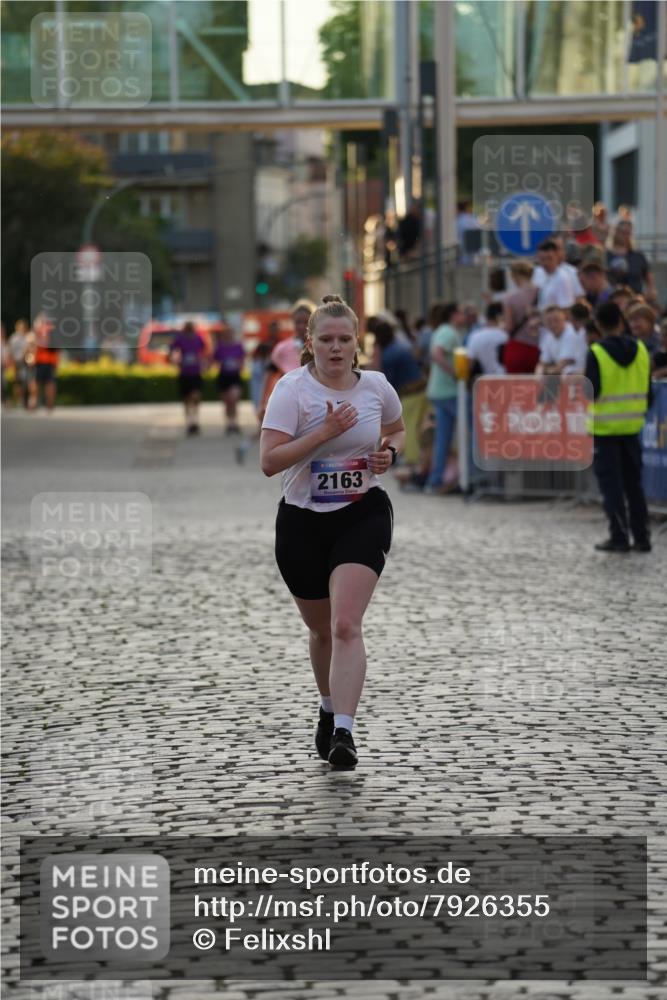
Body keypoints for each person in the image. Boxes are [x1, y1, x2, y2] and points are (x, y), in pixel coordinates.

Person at [260, 295, 405, 769]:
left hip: (361, 512)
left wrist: (390, 453)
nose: (336, 348)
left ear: (357, 342)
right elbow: (270, 462)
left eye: (345, 339)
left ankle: (344, 730)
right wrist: (322, 432)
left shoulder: (377, 387)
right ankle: (327, 707)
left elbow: (397, 429)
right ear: (311, 343)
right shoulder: (292, 390)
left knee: (346, 624)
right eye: (327, 340)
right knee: (320, 629)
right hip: (302, 521)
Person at [585, 301, 652, 553]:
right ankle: (643, 538)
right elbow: (648, 391)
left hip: (605, 431)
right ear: (622, 321)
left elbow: (591, 391)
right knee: (634, 485)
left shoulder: (597, 352)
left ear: (599, 325)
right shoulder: (642, 349)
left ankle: (619, 537)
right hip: (633, 427)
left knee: (611, 486)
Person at [424, 302, 463, 493]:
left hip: (437, 390)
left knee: (442, 438)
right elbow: (437, 354)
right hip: (449, 391)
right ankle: (469, 476)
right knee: (470, 431)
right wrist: (454, 372)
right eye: (461, 312)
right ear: (453, 315)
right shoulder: (449, 332)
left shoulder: (441, 330)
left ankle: (436, 479)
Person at [169, 320, 208, 436]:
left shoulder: (198, 338)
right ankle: (190, 422)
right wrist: (175, 360)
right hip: (184, 373)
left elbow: (205, 351)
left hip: (195, 372)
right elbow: (172, 349)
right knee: (186, 399)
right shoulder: (180, 339)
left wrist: (203, 363)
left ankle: (195, 419)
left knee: (196, 396)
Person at [501, 261, 540, 373]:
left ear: (514, 276)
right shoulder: (541, 292)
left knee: (516, 387)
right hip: (539, 348)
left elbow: (509, 326)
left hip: (518, 346)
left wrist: (501, 326)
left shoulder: (510, 297)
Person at [606, 220, 657, 301]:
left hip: (636, 299)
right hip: (613, 299)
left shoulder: (638, 255)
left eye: (628, 233)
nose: (625, 236)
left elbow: (649, 277)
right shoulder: (607, 255)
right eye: (622, 232)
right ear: (615, 232)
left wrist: (651, 290)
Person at [213, 323, 245, 434]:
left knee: (234, 399)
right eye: (226, 333)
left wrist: (238, 366)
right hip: (223, 377)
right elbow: (215, 361)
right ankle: (229, 423)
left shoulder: (238, 346)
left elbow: (242, 360)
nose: (228, 335)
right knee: (227, 402)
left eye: (230, 333)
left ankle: (235, 422)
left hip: (234, 376)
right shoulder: (220, 347)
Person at [536, 306, 586, 375]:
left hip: (579, 375)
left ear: (564, 319)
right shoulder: (548, 336)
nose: (553, 324)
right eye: (549, 321)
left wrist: (544, 371)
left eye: (556, 320)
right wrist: (538, 375)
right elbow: (542, 363)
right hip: (567, 377)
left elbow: (562, 364)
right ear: (545, 323)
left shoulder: (572, 332)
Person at [466, 302, 507, 376]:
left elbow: (469, 364)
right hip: (507, 377)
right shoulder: (506, 335)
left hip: (486, 380)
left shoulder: (475, 336)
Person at [33, 314, 60, 411]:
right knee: (48, 383)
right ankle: (49, 404)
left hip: (42, 361)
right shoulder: (51, 331)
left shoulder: (40, 330)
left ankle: (37, 403)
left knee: (39, 383)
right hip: (48, 361)